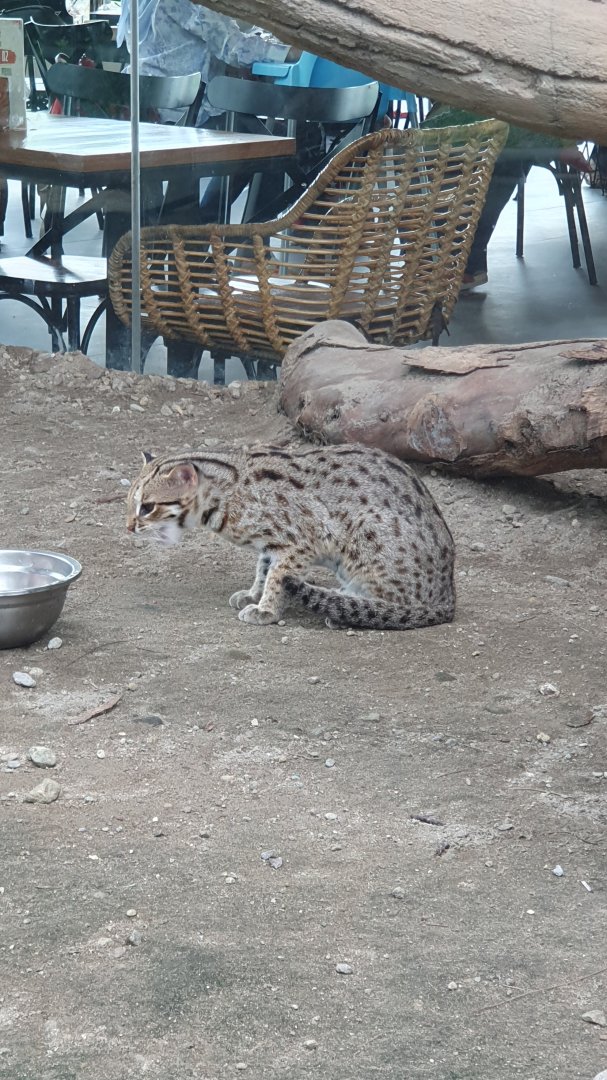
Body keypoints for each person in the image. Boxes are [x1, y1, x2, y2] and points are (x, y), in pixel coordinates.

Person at [116, 0, 293, 222]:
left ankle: (206, 224)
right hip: (188, 118)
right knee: (279, 143)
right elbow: (234, 47)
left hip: (148, 112)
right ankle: (230, 231)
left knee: (264, 135)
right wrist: (292, 51)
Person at [422, 104, 591, 290]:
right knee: (503, 152)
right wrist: (558, 146)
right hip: (459, 130)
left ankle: (461, 263)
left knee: (505, 152)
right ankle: (457, 263)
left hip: (498, 127)